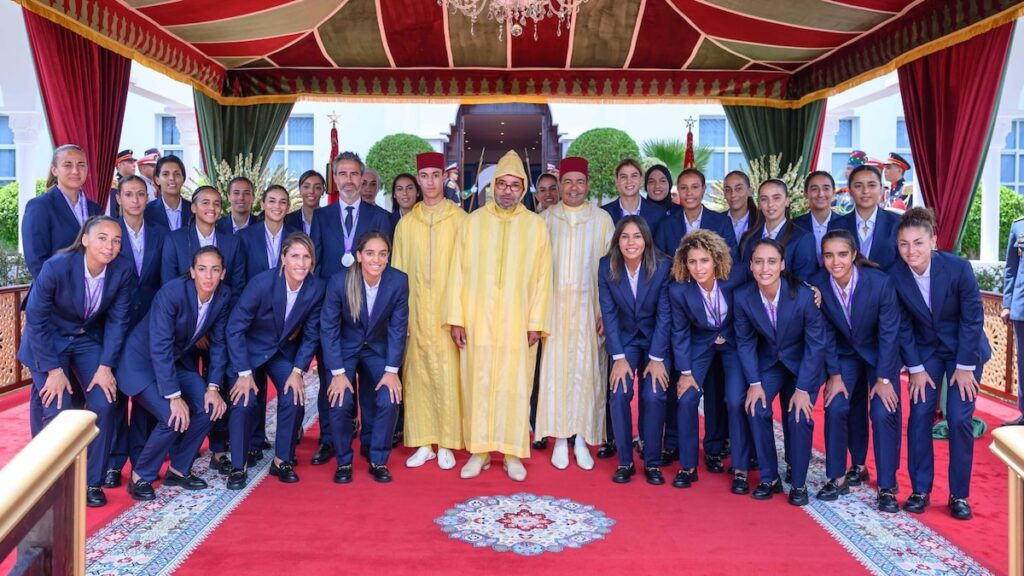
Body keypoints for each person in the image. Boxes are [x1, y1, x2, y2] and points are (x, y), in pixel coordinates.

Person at [446, 150, 552, 482]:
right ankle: (478, 451)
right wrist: (457, 318)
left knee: (515, 385)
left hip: (517, 323)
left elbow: (541, 278)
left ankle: (511, 453)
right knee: (478, 383)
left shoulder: (535, 227)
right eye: (501, 184)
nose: (507, 191)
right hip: (478, 320)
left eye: (514, 185)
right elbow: (458, 272)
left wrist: (536, 321)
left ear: (522, 189)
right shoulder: (473, 222)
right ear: (492, 186)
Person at [19, 216, 134, 506]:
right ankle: (53, 485)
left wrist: (106, 366)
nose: (110, 246)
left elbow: (119, 321)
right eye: (103, 238)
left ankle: (91, 483)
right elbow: (35, 319)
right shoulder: (57, 266)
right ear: (85, 239)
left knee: (106, 402)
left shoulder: (121, 269)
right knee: (56, 407)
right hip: (48, 341)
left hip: (85, 340)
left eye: (116, 240)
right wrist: (53, 370)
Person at [892, 207, 990, 520]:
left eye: (918, 243)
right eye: (904, 244)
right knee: (919, 414)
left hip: (964, 351)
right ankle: (920, 489)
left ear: (933, 240)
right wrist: (916, 370)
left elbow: (972, 318)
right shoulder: (895, 275)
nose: (911, 251)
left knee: (960, 419)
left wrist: (964, 366)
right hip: (926, 353)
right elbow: (902, 326)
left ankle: (959, 495)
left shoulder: (959, 268)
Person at [118, 247, 230, 501]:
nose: (208, 276)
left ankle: (179, 469)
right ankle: (140, 477)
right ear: (192, 272)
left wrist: (213, 388)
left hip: (174, 361)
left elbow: (220, 343)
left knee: (210, 407)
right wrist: (173, 395)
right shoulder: (172, 293)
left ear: (223, 273)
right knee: (173, 416)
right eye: (202, 269)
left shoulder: (223, 296)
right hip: (141, 363)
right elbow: (159, 345)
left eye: (215, 270)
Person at [309, 152, 393, 466]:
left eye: (354, 174)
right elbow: (315, 267)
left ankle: (371, 445)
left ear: (361, 178)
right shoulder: (321, 217)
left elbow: (386, 266)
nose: (348, 180)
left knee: (371, 387)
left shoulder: (380, 216)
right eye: (342, 174)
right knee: (332, 381)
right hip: (334, 316)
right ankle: (329, 439)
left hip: (370, 318)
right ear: (335, 178)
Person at [811, 230, 902, 511]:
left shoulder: (879, 282)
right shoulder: (817, 287)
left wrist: (884, 377)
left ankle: (887, 486)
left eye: (841, 254)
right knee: (836, 405)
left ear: (853, 255)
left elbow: (889, 332)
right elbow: (824, 333)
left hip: (879, 355)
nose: (835, 261)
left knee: (882, 410)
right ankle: (838, 477)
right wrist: (835, 376)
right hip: (844, 355)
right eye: (828, 255)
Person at [225, 234, 324, 488]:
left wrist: (298, 370)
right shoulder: (262, 283)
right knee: (243, 399)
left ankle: (282, 460)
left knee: (293, 394)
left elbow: (312, 334)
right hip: (250, 349)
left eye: (306, 257)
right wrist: (244, 373)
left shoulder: (315, 288)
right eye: (295, 256)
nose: (301, 263)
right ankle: (239, 465)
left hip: (280, 351)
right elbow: (235, 328)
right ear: (283, 258)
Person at [535, 157, 615, 470]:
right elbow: (536, 273)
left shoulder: (603, 220)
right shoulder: (545, 219)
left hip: (589, 311)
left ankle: (582, 437)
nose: (573, 187)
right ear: (559, 185)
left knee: (587, 373)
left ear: (588, 184)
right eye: (567, 181)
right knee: (555, 373)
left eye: (579, 181)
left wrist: (606, 313)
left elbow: (611, 272)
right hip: (554, 311)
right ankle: (559, 439)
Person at [734, 238, 826, 506]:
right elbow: (745, 341)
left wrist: (803, 389)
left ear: (782, 265)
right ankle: (769, 477)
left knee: (799, 414)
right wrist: (754, 382)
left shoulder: (805, 296)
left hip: (802, 366)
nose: (765, 268)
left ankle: (798, 483)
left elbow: (816, 344)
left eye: (772, 261)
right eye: (759, 261)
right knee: (755, 407)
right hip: (770, 363)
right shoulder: (743, 297)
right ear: (751, 265)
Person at [393, 152, 467, 470]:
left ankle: (448, 441)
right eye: (425, 176)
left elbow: (469, 272)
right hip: (416, 313)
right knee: (417, 376)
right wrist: (400, 317)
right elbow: (396, 274)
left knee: (451, 376)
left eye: (437, 175)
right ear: (418, 179)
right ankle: (424, 442)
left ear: (445, 178)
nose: (431, 182)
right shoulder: (406, 224)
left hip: (449, 314)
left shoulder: (461, 220)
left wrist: (461, 316)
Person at [668, 229, 753, 493]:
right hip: (700, 344)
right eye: (692, 262)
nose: (698, 267)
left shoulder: (736, 276)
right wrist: (685, 372)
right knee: (687, 396)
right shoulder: (679, 290)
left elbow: (766, 281)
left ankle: (740, 468)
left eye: (704, 260)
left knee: (735, 400)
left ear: (715, 259)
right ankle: (688, 466)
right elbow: (680, 332)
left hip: (733, 343)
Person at [322, 232, 409, 483]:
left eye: (383, 254)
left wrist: (392, 370)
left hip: (378, 348)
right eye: (370, 253)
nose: (377, 259)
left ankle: (378, 459)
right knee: (339, 401)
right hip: (345, 348)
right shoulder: (339, 281)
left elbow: (398, 327)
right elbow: (328, 328)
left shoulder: (398, 281)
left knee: (389, 398)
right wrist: (337, 373)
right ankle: (344, 462)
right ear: (359, 256)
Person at [597, 216, 672, 485]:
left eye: (637, 236)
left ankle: (652, 462)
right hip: (625, 341)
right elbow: (609, 313)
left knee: (654, 394)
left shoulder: (663, 266)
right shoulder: (606, 266)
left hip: (655, 341)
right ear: (618, 240)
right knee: (618, 393)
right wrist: (618, 357)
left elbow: (665, 315)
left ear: (646, 240)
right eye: (625, 236)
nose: (631, 242)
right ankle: (625, 461)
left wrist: (656, 358)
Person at [104, 176, 168, 488]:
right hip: (115, 322)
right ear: (119, 198)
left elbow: (163, 278)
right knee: (115, 395)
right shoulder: (109, 233)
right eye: (129, 194)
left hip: (150, 326)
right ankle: (115, 462)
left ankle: (141, 456)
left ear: (148, 197)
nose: (135, 200)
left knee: (145, 392)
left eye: (141, 194)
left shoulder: (159, 232)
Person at [236, 185, 300, 457]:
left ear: (288, 207)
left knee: (286, 386)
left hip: (285, 327)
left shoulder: (297, 238)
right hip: (253, 324)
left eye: (282, 202)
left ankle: (285, 451)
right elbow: (238, 280)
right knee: (254, 386)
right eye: (271, 201)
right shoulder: (245, 237)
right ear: (262, 203)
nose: (277, 206)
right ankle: (253, 442)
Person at [23, 144, 101, 280]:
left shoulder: (94, 208)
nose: (75, 171)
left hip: (92, 292)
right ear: (54, 170)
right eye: (68, 165)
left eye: (81, 165)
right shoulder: (39, 206)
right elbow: (36, 260)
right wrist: (60, 292)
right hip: (55, 293)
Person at [161, 186, 245, 298]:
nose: (211, 207)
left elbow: (238, 287)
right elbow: (168, 285)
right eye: (205, 203)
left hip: (223, 311)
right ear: (194, 208)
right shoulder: (175, 239)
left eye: (216, 204)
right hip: (183, 311)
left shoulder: (233, 242)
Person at [739, 179, 817, 282]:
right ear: (759, 204)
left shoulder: (803, 238)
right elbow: (743, 276)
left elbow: (804, 282)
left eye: (776, 198)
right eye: (764, 199)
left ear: (787, 201)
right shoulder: (748, 237)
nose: (770, 204)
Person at [828, 164, 901, 270]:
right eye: (858, 186)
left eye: (872, 185)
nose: (865, 191)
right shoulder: (836, 226)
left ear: (880, 188)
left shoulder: (897, 223)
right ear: (850, 190)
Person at [656, 169, 737, 258]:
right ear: (678, 190)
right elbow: (659, 262)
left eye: (694, 187)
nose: (689, 193)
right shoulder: (666, 225)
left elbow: (732, 260)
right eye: (683, 188)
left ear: (703, 189)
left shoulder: (722, 222)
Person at [601, 159, 667, 233]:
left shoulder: (658, 213)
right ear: (616, 181)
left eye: (634, 176)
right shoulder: (604, 213)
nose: (629, 181)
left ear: (641, 179)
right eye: (623, 177)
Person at [1001, 216, 1024, 427]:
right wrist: (1007, 303)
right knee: (1023, 363)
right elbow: (1011, 268)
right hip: (1022, 307)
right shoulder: (1018, 225)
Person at [794, 171, 841, 265]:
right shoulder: (794, 226)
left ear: (833, 192)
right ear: (806, 193)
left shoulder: (846, 224)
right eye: (814, 189)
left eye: (826, 188)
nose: (820, 194)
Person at [144, 155, 191, 231]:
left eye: (177, 174)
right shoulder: (146, 212)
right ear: (157, 180)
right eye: (165, 174)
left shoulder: (194, 210)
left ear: (183, 179)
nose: (172, 178)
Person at [722, 171, 756, 246]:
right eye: (728, 190)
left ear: (749, 191)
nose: (733, 194)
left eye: (739, 189)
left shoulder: (760, 221)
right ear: (724, 193)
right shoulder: (716, 222)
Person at [286, 170, 325, 235]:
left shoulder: (332, 220)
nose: (311, 191)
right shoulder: (287, 220)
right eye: (306, 187)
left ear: (323, 191)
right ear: (300, 190)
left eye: (317, 187)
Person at [832, 150, 866, 215]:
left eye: (849, 168)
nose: (845, 171)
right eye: (846, 168)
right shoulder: (842, 193)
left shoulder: (864, 193)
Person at [108, 149, 136, 218]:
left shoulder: (133, 182)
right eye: (130, 162)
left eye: (133, 162)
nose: (134, 165)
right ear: (120, 165)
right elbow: (113, 211)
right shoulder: (114, 184)